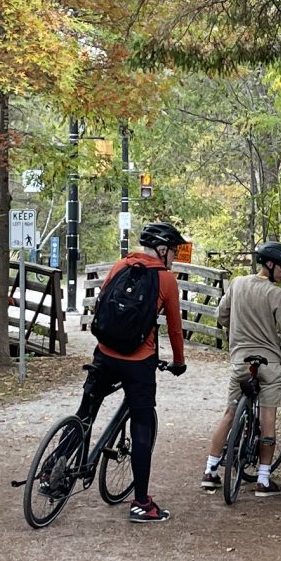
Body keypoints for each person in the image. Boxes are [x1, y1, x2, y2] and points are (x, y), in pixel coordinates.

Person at [84, 220, 189, 522]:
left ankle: (54, 470)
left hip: (104, 354)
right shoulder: (166, 280)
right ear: (162, 250)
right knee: (142, 425)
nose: (174, 257)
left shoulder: (120, 265)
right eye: (173, 251)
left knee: (85, 413)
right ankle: (141, 503)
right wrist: (179, 362)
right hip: (138, 362)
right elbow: (175, 329)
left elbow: (100, 304)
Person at [202, 241, 281, 496]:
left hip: (241, 361)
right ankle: (263, 479)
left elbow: (221, 315)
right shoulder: (276, 294)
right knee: (267, 418)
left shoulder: (237, 284)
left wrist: (239, 329)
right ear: (270, 265)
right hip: (270, 364)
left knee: (229, 414)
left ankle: (210, 471)